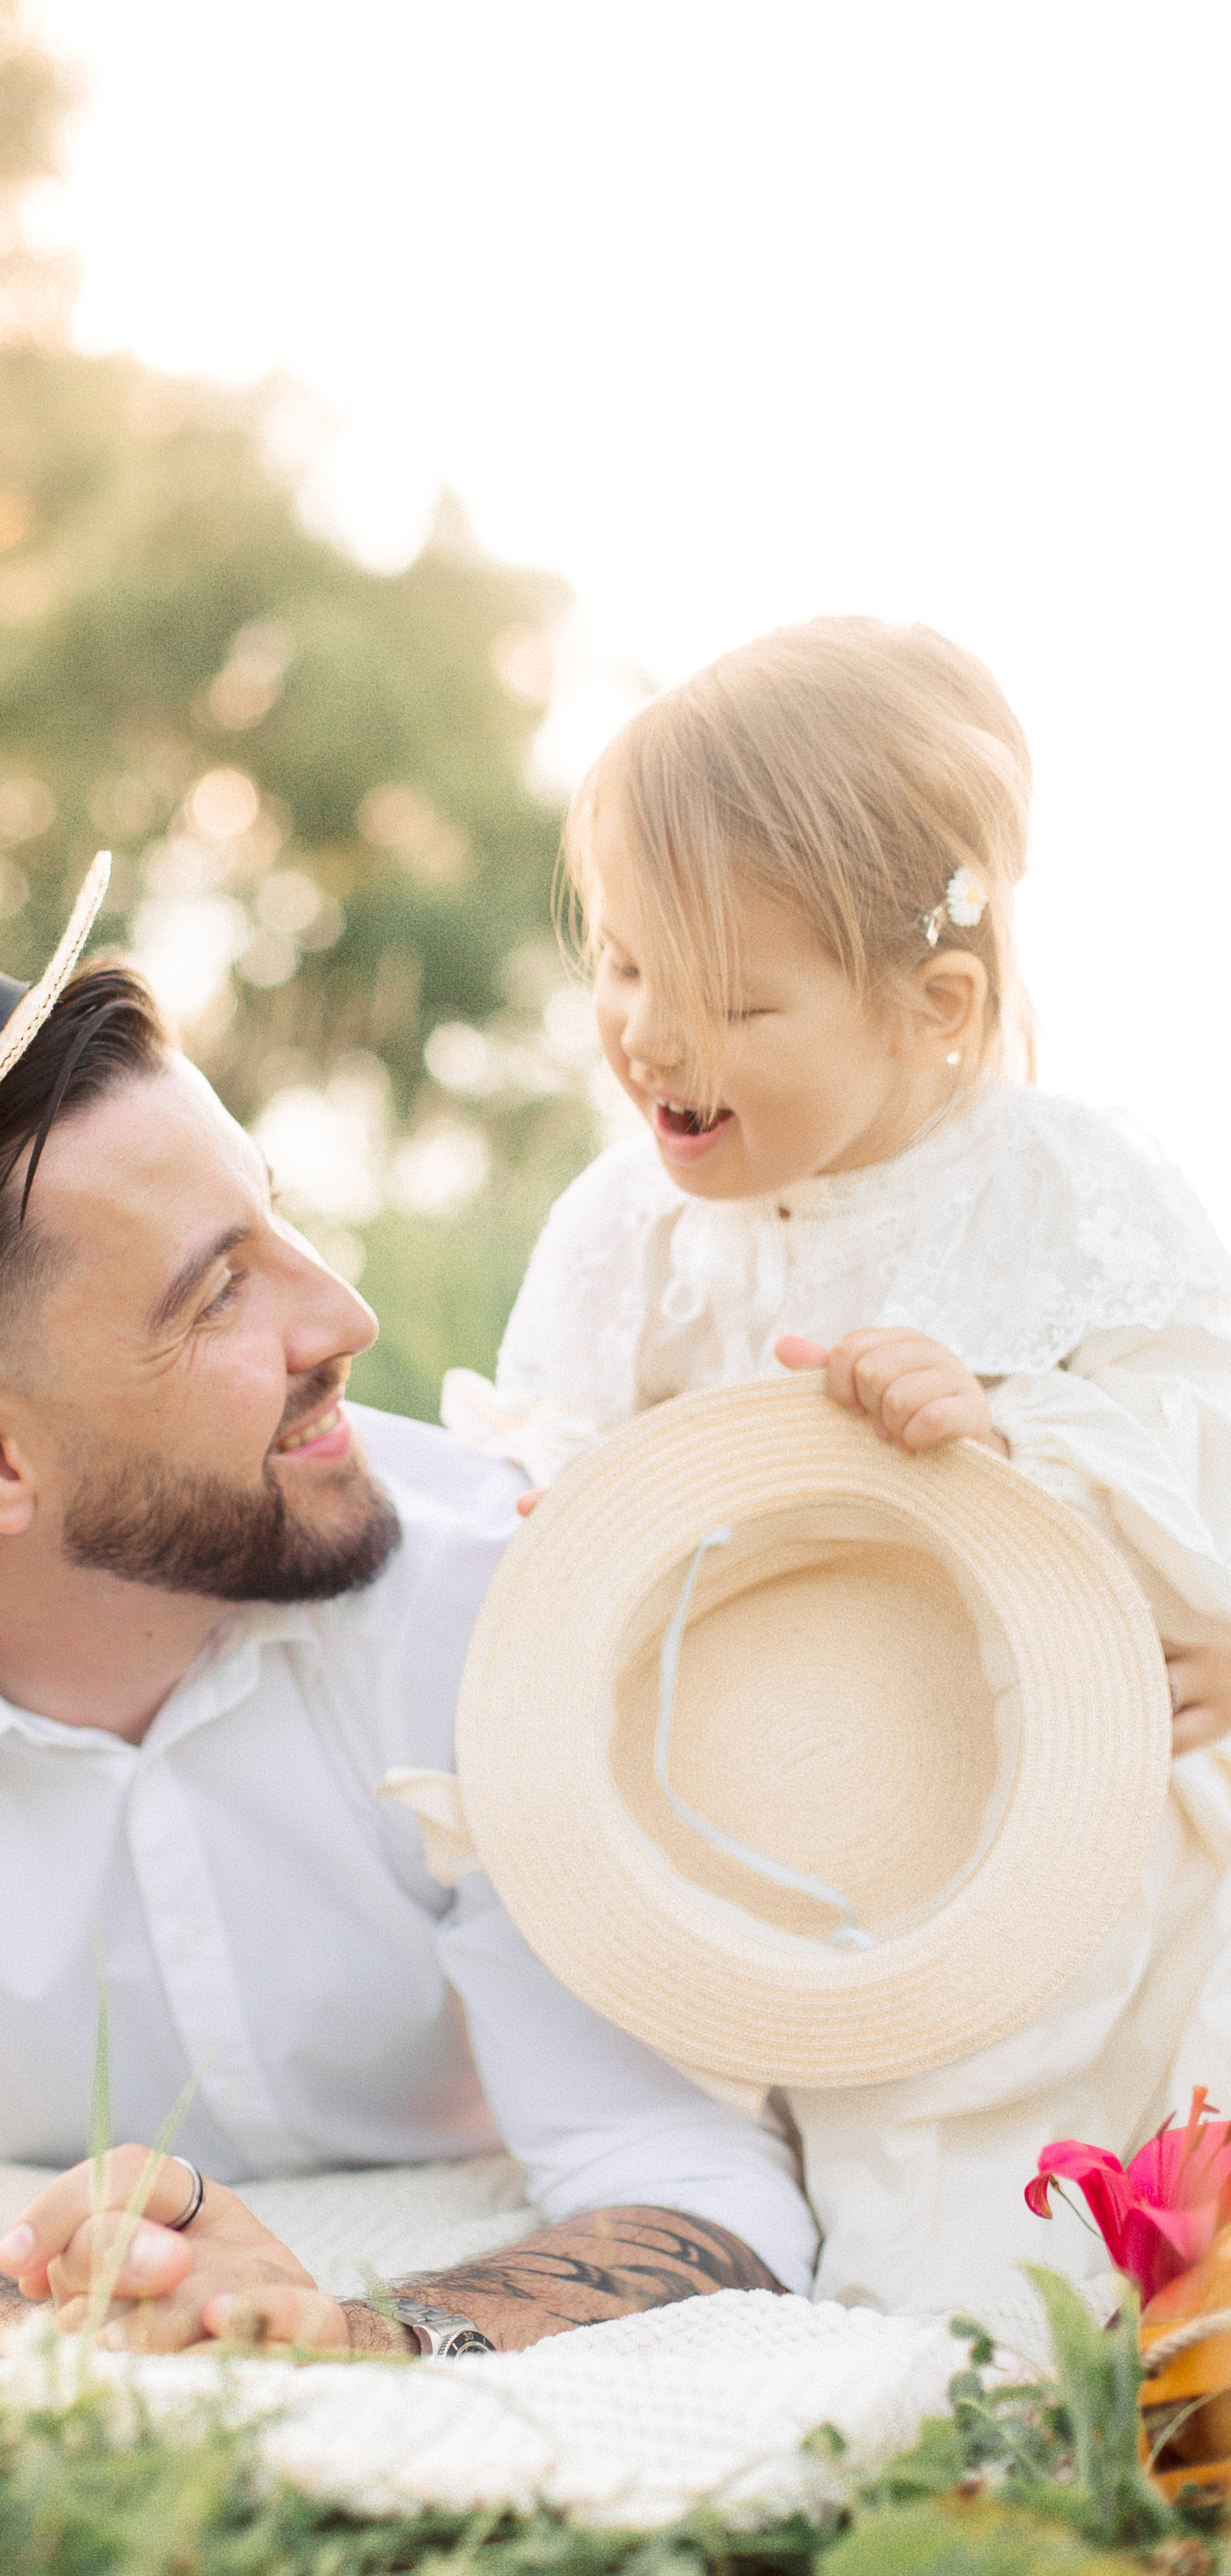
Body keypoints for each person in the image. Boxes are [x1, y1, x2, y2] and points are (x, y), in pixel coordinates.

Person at [0, 892, 819, 2365]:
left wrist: (340, 2335)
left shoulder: (500, 1577)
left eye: (273, 1217)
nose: (341, 1314)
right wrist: (58, 2350)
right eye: (217, 1291)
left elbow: (690, 2182)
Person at [444, 616, 1231, 2305]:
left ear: (931, 1010)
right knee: (770, 2137)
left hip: (1045, 1810)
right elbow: (557, 1474)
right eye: (623, 964)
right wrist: (559, 1523)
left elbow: (1193, 1443)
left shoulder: (1062, 1191)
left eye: (731, 999)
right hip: (755, 1802)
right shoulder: (625, 1233)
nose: (645, 1037)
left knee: (1057, 2167)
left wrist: (1010, 1429)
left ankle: (1091, 2326)